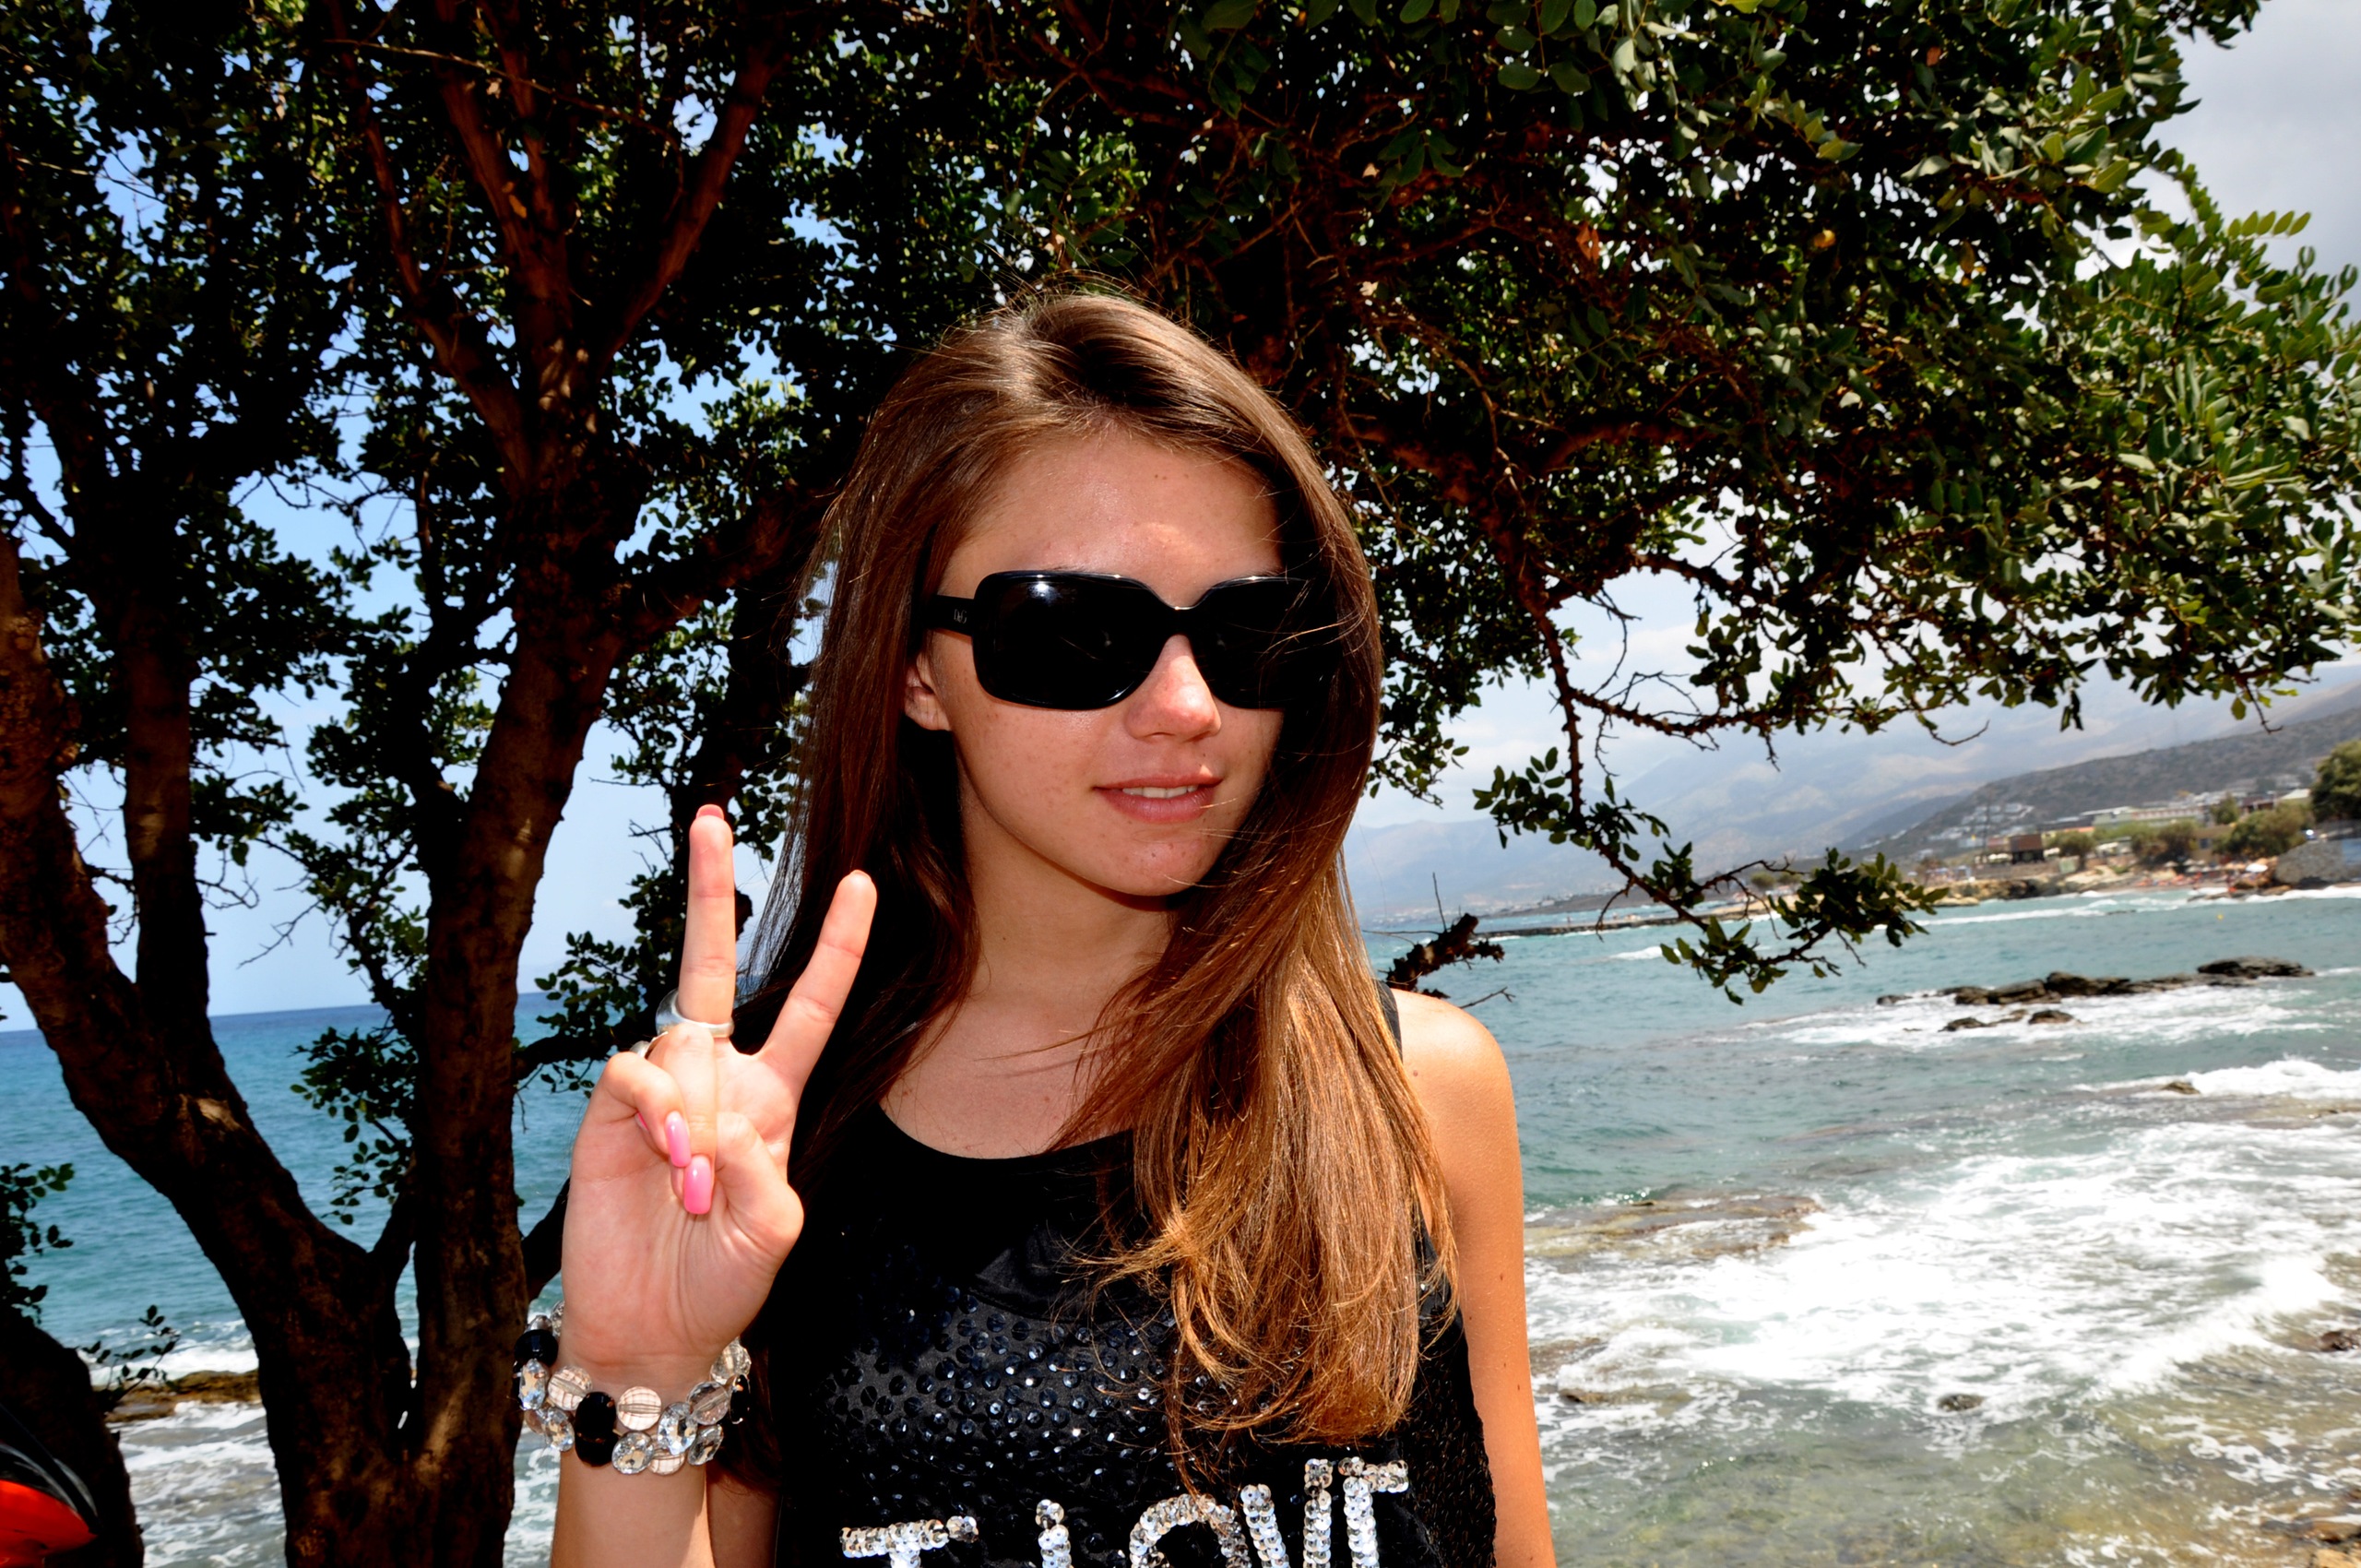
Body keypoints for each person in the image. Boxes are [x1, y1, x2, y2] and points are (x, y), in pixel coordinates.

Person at [546, 292, 1550, 1568]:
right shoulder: (771, 1152)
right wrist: (638, 1369)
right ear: (917, 669)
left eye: (1245, 632)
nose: (1187, 706)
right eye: (1075, 632)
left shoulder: (1417, 1089)